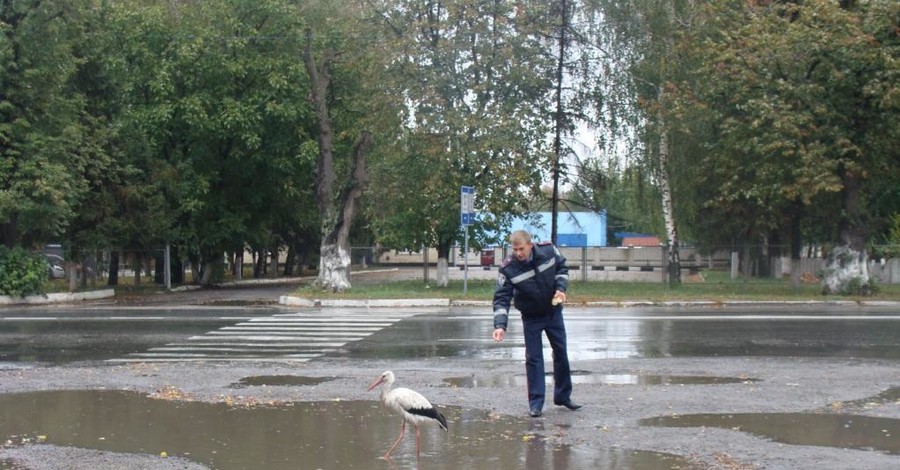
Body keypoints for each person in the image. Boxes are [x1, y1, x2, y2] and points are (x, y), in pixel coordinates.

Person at [491, 230, 581, 417]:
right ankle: (536, 404)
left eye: (521, 249)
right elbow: (501, 298)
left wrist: (561, 290)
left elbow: (562, 269)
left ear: (530, 245)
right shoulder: (508, 268)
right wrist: (500, 325)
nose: (518, 253)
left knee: (561, 352)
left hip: (553, 312)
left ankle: (563, 396)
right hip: (531, 317)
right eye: (515, 250)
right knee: (534, 359)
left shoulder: (548, 251)